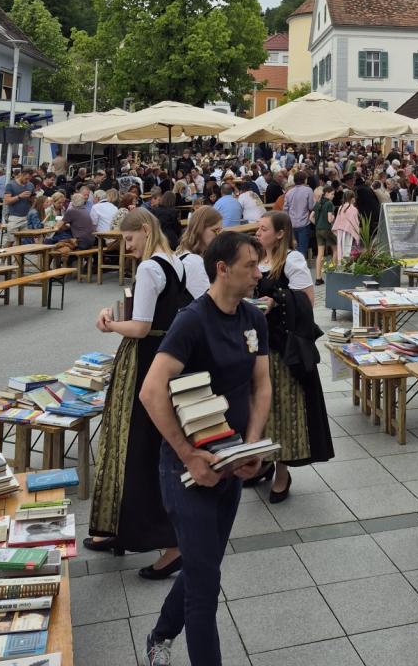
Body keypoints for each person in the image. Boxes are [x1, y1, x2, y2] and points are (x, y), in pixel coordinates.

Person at [139, 231, 272, 666]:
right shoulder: (192, 320)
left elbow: (261, 383)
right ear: (222, 268)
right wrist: (188, 454)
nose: (258, 273)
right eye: (250, 265)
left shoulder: (253, 318)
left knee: (205, 565)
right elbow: (151, 391)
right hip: (187, 469)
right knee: (204, 585)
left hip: (230, 463)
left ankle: (159, 635)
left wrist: (252, 443)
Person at [85, 208, 201, 580]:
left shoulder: (151, 267)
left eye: (129, 239)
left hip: (145, 362)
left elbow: (140, 327)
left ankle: (166, 541)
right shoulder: (175, 262)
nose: (127, 246)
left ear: (146, 230)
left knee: (134, 447)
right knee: (142, 446)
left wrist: (109, 323)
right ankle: (121, 528)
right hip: (163, 358)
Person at [252, 211, 334, 500]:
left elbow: (308, 302)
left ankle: (281, 472)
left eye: (263, 229)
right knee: (259, 410)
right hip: (255, 348)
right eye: (258, 228)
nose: (258, 233)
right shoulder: (255, 260)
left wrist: (278, 300)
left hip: (282, 348)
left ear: (280, 233)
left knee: (283, 411)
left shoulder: (292, 261)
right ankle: (261, 460)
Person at [174, 205, 221, 297]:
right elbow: (211, 302)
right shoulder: (192, 261)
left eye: (220, 231)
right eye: (215, 231)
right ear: (200, 229)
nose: (218, 236)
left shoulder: (184, 253)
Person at [282, 171, 315, 258]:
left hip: (291, 223)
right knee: (303, 248)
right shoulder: (308, 190)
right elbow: (311, 206)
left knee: (293, 247)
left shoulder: (289, 192)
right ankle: (301, 266)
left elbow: (285, 209)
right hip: (304, 222)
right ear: (304, 180)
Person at [312, 182, 336, 284]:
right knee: (336, 249)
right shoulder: (329, 204)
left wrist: (317, 223)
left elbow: (310, 217)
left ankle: (318, 278)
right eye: (332, 194)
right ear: (326, 193)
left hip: (318, 230)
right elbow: (329, 219)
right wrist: (334, 217)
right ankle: (332, 273)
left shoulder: (317, 203)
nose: (333, 196)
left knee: (320, 254)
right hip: (327, 230)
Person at [3, 169, 34, 240]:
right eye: (26, 178)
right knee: (11, 241)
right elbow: (6, 201)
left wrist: (32, 200)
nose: (27, 181)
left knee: (25, 242)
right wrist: (19, 196)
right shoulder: (11, 185)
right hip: (14, 217)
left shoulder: (30, 185)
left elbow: (33, 200)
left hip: (26, 216)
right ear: (21, 175)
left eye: (29, 179)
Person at [333, 188, 360, 263]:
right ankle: (348, 266)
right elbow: (355, 223)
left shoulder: (341, 207)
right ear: (351, 198)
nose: (355, 199)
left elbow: (338, 220)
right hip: (349, 233)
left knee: (341, 249)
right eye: (354, 197)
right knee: (348, 250)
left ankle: (341, 265)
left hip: (340, 232)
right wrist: (357, 233)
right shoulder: (353, 209)